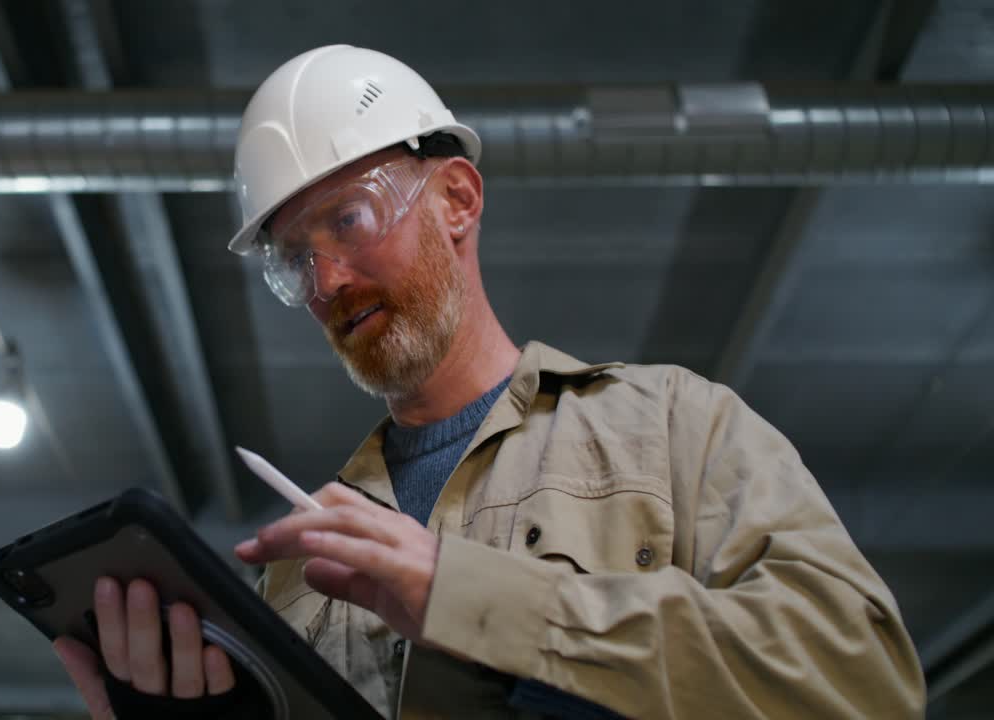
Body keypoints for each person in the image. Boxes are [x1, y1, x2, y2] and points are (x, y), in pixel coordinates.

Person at [52, 44, 926, 719]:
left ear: (458, 200)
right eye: (293, 260)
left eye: (348, 221)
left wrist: (468, 598)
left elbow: (863, 678)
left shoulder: (672, 429)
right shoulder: (306, 562)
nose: (324, 284)